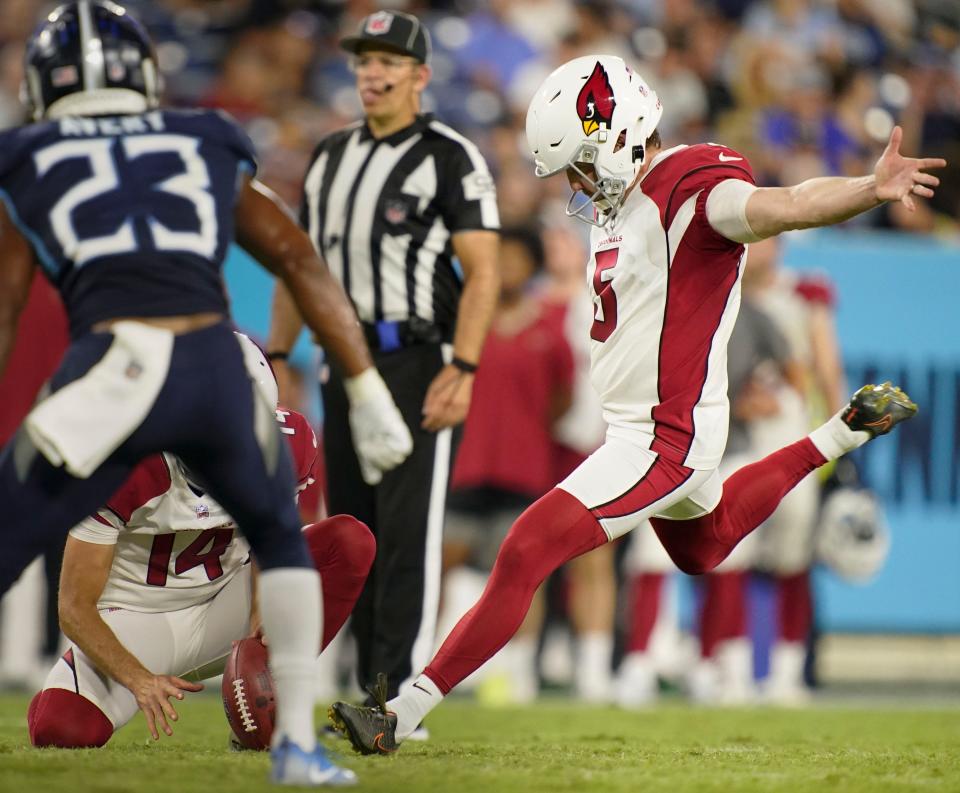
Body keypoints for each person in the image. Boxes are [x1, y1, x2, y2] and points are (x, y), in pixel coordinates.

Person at [327, 53, 945, 753]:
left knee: (526, 548)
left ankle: (400, 713)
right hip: (658, 428)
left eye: (581, 165)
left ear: (619, 136)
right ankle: (842, 432)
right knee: (704, 547)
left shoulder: (692, 186)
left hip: (661, 435)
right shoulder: (624, 201)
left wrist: (869, 186)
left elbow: (787, 204)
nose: (575, 184)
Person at [0, 2, 412, 785]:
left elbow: (7, 307)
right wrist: (366, 388)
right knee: (63, 724)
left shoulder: (27, 154)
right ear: (147, 78)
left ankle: (280, 725)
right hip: (203, 374)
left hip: (116, 372)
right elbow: (295, 251)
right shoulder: (202, 137)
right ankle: (297, 747)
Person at [267, 9, 500, 710]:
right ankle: (359, 684)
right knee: (354, 532)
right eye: (364, 60)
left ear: (420, 76)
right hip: (345, 361)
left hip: (419, 358)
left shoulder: (449, 155)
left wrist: (463, 365)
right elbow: (297, 264)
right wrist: (280, 350)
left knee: (409, 535)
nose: (372, 73)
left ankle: (393, 697)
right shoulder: (330, 156)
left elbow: (483, 270)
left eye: (387, 62)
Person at [28, 335, 375, 753]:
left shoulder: (290, 440)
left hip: (227, 598)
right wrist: (139, 678)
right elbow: (73, 607)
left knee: (348, 542)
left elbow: (272, 540)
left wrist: (261, 626)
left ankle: (279, 701)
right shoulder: (122, 464)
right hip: (135, 618)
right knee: (60, 731)